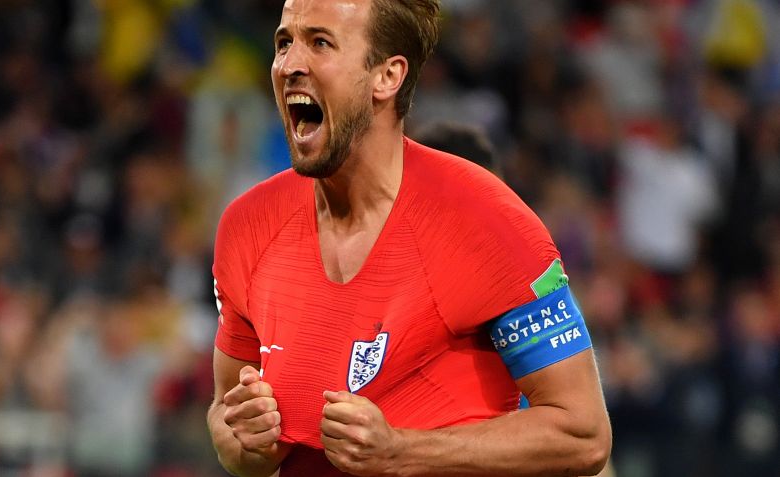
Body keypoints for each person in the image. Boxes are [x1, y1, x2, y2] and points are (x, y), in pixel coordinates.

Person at [207, 1, 612, 476]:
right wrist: (247, 442)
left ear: (387, 76)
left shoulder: (484, 220)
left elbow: (583, 435)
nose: (289, 64)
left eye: (320, 43)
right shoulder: (247, 227)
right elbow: (226, 419)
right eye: (284, 43)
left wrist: (401, 452)